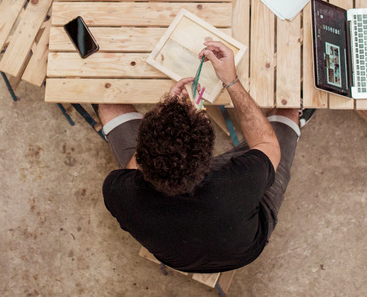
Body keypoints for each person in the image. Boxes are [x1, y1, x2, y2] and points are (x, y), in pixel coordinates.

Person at [99, 40, 300, 273]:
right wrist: (231, 81)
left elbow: (136, 167)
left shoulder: (118, 191)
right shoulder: (241, 180)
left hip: (181, 258)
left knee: (108, 105)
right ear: (210, 160)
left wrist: (164, 115)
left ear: (143, 152)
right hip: (244, 249)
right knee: (288, 113)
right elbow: (267, 143)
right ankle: (293, 119)